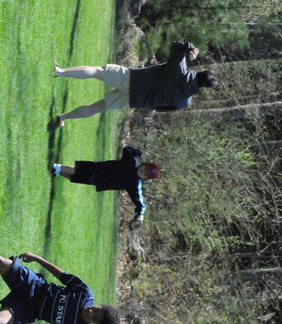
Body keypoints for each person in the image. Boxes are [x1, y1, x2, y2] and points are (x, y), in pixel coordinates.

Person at [54, 40, 217, 126]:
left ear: (200, 71)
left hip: (133, 78)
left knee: (96, 72)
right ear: (203, 87)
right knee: (97, 107)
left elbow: (176, 45)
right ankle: (63, 117)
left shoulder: (180, 67)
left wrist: (190, 49)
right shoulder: (184, 102)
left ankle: (60, 72)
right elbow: (160, 108)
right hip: (135, 100)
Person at [50, 145, 159, 230]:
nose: (143, 172)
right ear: (144, 164)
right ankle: (55, 167)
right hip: (98, 168)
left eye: (146, 174)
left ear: (145, 178)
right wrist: (140, 153)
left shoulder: (134, 185)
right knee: (76, 171)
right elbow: (127, 149)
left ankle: (57, 172)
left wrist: (140, 214)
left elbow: (139, 201)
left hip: (100, 181)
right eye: (145, 168)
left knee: (75, 177)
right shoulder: (131, 161)